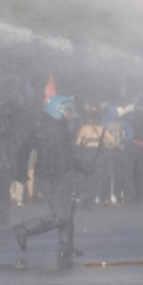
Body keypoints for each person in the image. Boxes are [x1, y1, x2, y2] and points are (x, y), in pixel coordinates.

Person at [12, 94, 87, 271]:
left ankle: (66, 247)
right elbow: (65, 157)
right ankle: (24, 229)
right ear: (58, 110)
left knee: (67, 211)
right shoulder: (58, 129)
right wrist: (82, 168)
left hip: (50, 176)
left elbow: (25, 148)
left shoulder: (42, 126)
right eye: (67, 110)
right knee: (61, 216)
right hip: (55, 178)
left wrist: (21, 171)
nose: (69, 113)